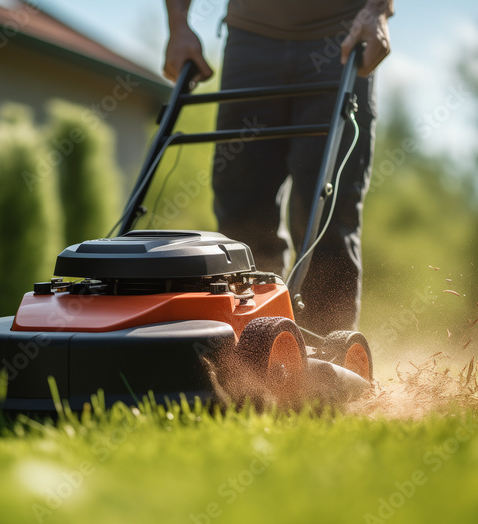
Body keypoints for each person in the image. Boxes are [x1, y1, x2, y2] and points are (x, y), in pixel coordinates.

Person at [163, 0, 393, 335]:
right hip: (249, 39)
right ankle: (249, 343)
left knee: (326, 211)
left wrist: (376, 12)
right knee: (241, 209)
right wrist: (178, 26)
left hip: (342, 38)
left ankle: (329, 355)